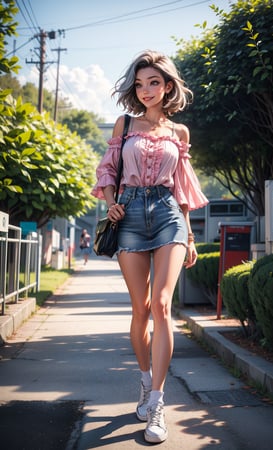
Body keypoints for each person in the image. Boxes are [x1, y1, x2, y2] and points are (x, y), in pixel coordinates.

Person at [91, 50, 208, 444]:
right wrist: (111, 202)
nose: (146, 90)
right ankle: (145, 381)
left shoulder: (181, 133)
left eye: (154, 82)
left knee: (161, 305)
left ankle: (157, 402)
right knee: (140, 308)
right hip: (129, 219)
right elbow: (107, 170)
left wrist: (190, 235)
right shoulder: (124, 124)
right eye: (139, 83)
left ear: (168, 85)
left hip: (168, 214)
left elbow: (184, 190)